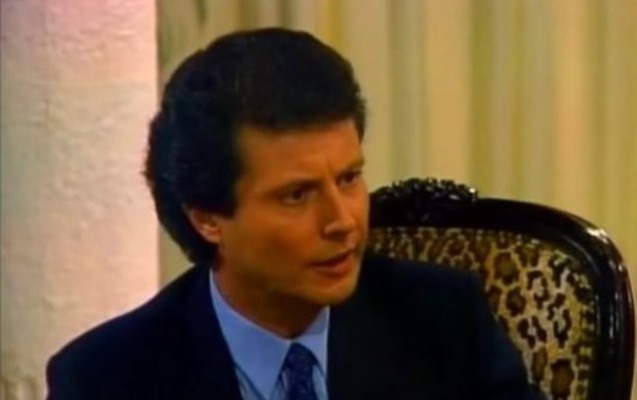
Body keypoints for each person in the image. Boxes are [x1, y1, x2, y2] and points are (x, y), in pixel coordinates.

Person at [46, 28, 544, 399]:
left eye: (348, 178)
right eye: (297, 195)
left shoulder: (444, 322)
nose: (342, 221)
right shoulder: (106, 378)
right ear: (208, 219)